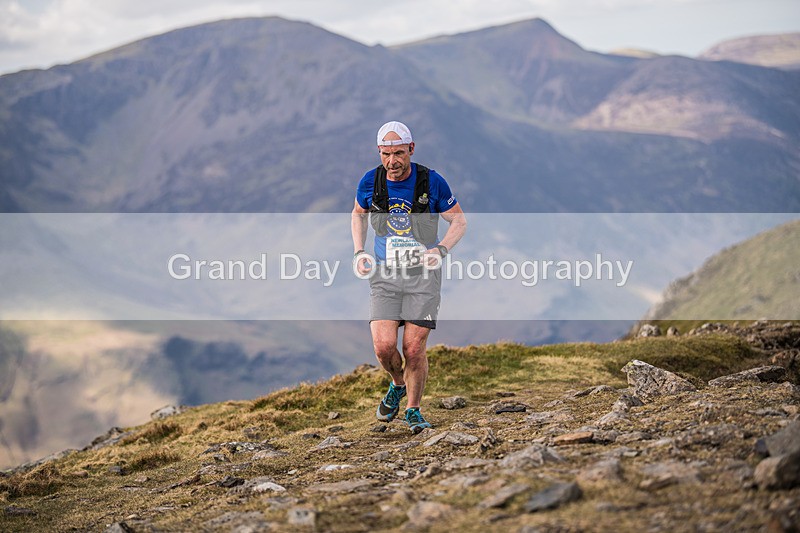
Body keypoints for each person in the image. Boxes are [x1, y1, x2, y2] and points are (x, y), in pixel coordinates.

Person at [351, 121, 466, 434]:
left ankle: (413, 410)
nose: (392, 161)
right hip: (384, 275)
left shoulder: (431, 181)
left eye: (399, 153)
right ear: (380, 152)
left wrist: (440, 250)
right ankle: (397, 384)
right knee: (384, 347)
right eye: (386, 154)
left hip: (423, 278)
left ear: (411, 150)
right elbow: (358, 214)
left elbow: (459, 221)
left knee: (414, 348)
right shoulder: (370, 181)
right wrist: (359, 251)